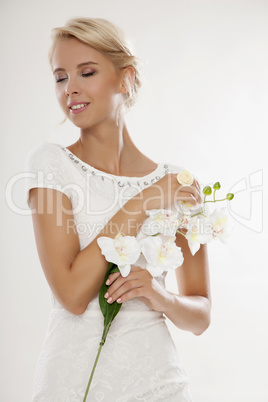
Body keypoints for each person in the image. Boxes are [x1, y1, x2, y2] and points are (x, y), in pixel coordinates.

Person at [24, 17, 211, 401]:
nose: (70, 89)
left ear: (124, 79)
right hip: (75, 384)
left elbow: (202, 314)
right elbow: (73, 295)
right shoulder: (51, 165)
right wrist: (144, 201)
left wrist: (161, 297)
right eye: (60, 77)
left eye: (86, 72)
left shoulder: (178, 183)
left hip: (159, 383)